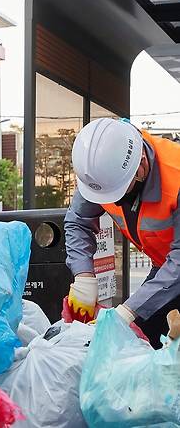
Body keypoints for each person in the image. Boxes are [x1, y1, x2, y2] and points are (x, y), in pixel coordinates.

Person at [65, 117, 180, 347]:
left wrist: (128, 311)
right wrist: (83, 275)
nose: (112, 201)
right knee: (138, 339)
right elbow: (78, 221)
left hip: (175, 265)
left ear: (141, 165)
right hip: (165, 268)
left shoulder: (176, 178)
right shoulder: (100, 172)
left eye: (117, 192)